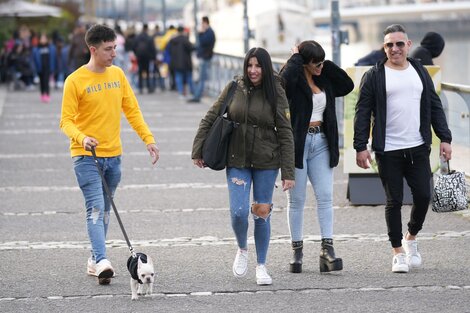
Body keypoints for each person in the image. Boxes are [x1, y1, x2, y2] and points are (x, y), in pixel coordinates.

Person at [59, 24, 160, 285]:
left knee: (104, 210)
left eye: (114, 47)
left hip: (114, 157)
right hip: (85, 156)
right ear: (93, 49)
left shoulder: (117, 75)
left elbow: (132, 111)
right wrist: (82, 137)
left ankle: (94, 259)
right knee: (95, 207)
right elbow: (66, 121)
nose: (114, 53)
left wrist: (148, 140)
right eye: (108, 49)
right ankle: (102, 260)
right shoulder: (75, 81)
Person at [191, 47, 295, 285]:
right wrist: (197, 149)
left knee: (261, 214)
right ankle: (242, 249)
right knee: (239, 213)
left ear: (266, 68)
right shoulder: (234, 88)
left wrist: (288, 172)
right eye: (250, 65)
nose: (253, 70)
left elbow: (286, 133)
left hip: (267, 161)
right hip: (237, 159)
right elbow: (210, 116)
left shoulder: (276, 92)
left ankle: (261, 265)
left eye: (258, 66)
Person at [353, 24, 452, 273]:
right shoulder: (374, 75)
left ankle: (411, 237)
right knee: (393, 200)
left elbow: (435, 106)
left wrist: (445, 138)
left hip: (418, 146)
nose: (394, 49)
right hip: (388, 150)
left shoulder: (419, 70)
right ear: (384, 48)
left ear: (408, 45)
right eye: (389, 45)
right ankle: (397, 251)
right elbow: (362, 112)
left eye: (399, 44)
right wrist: (360, 147)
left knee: (423, 196)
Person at [280, 40, 354, 274]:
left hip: (322, 141)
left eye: (322, 62)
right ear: (303, 62)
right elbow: (280, 86)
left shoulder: (324, 77)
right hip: (298, 145)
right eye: (316, 63)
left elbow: (347, 85)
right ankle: (297, 251)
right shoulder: (293, 79)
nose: (320, 67)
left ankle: (327, 250)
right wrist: (295, 60)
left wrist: (324, 64)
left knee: (325, 197)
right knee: (297, 200)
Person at [187, 16, 216, 103]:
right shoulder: (208, 32)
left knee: (201, 78)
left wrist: (200, 34)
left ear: (206, 23)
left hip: (205, 57)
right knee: (201, 78)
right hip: (204, 56)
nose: (201, 25)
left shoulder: (209, 32)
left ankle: (197, 96)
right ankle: (197, 95)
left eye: (202, 23)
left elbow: (203, 42)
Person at [168, 26, 194, 99]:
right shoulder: (185, 40)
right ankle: (191, 93)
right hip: (186, 62)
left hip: (176, 63)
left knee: (178, 77)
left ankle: (181, 93)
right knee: (189, 77)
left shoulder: (172, 40)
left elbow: (169, 51)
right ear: (183, 31)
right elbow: (192, 48)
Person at [32, 33, 57, 103]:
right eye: (42, 39)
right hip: (40, 68)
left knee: (46, 81)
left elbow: (54, 58)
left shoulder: (51, 48)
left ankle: (47, 95)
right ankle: (42, 94)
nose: (43, 40)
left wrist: (54, 68)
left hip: (48, 68)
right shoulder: (36, 49)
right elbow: (34, 59)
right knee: (42, 82)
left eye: (44, 38)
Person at [133, 24, 157, 94]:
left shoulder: (137, 37)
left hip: (139, 56)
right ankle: (149, 87)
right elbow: (152, 48)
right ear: (147, 29)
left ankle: (140, 88)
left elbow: (134, 46)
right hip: (147, 57)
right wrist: (153, 57)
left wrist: (136, 54)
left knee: (140, 72)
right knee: (148, 72)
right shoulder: (149, 37)